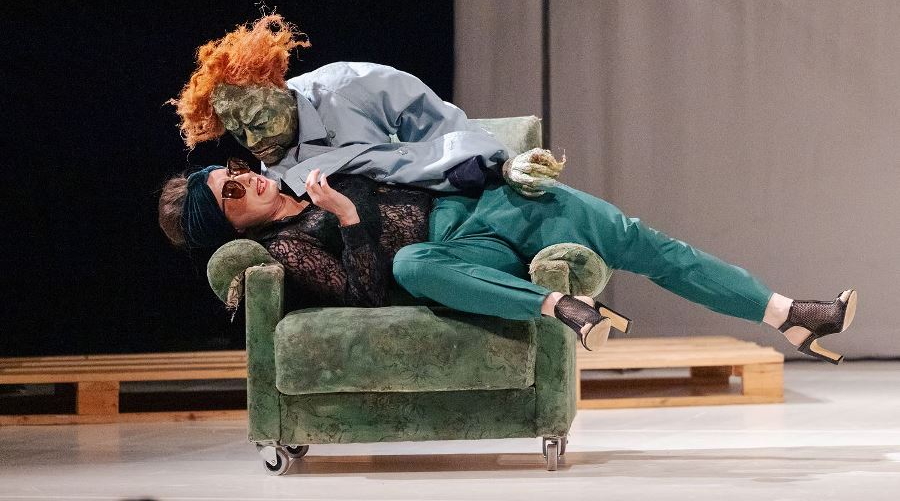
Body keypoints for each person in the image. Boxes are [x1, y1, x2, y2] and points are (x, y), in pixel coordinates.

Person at [158, 157, 858, 364]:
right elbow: (364, 294)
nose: (245, 181)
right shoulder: (288, 247)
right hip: (449, 257)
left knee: (645, 243)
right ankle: (562, 308)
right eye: (230, 194)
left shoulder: (305, 162)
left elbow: (413, 143)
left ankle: (789, 314)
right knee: (410, 268)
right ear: (226, 224)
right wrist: (346, 217)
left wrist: (499, 164)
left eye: (234, 172)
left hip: (487, 204)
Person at [167, 13, 560, 199]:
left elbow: (444, 126)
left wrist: (499, 163)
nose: (253, 142)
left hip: (447, 198)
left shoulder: (348, 85)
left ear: (278, 88)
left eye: (258, 121)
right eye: (239, 133)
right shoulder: (272, 172)